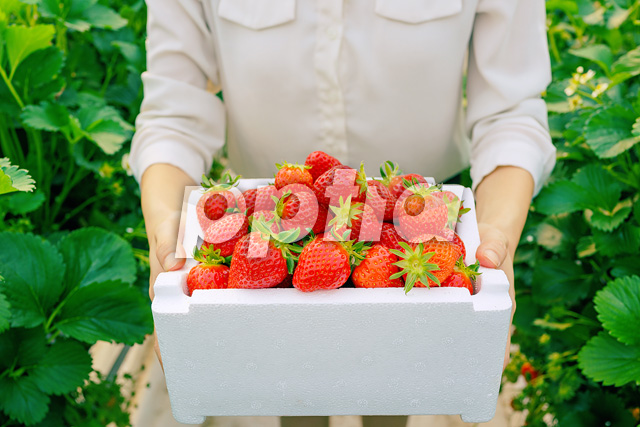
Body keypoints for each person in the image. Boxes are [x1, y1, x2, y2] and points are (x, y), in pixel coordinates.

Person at [130, 1, 555, 426]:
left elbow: (510, 113)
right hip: (268, 228)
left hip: (414, 234)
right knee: (290, 387)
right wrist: (168, 229)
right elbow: (174, 115)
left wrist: (496, 234)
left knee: (391, 389)